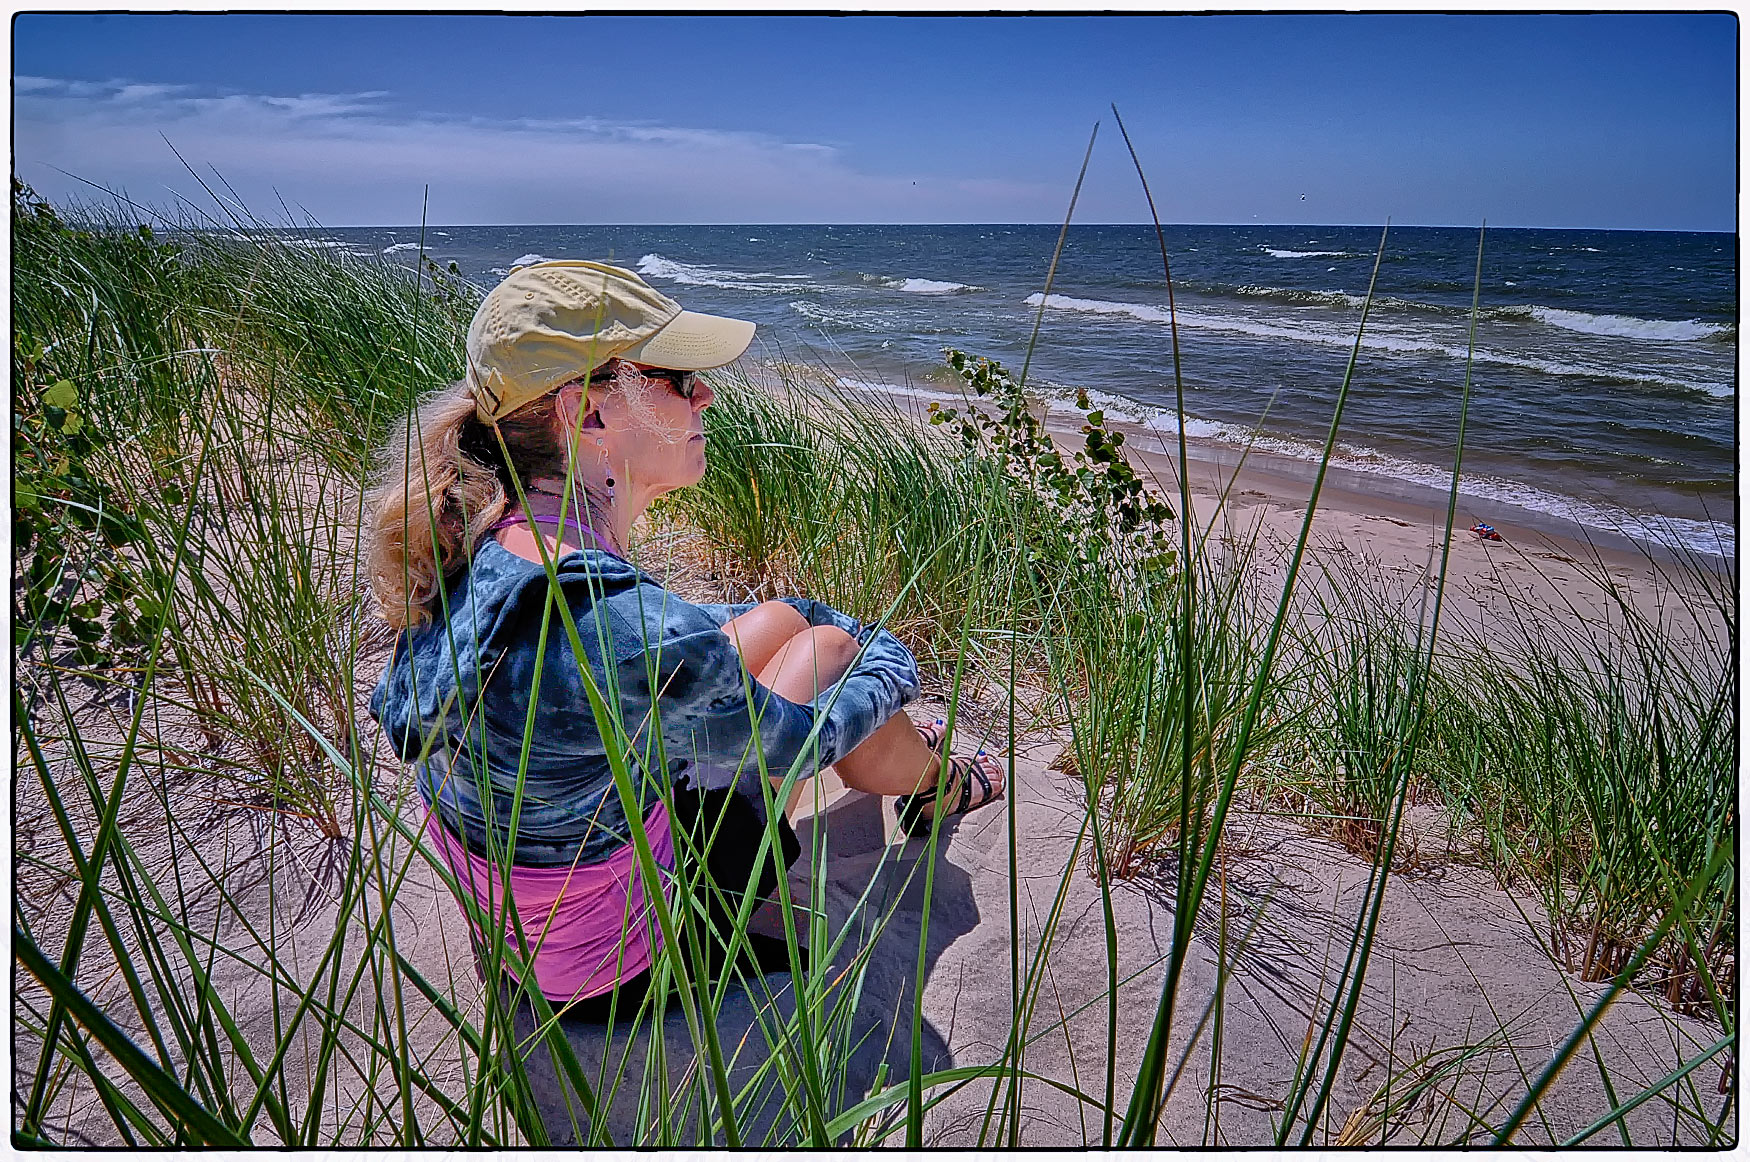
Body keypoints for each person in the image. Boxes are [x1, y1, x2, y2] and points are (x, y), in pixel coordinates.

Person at [366, 260, 1002, 1017]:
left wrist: (798, 610)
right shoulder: (620, 626)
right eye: (677, 376)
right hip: (617, 960)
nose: (706, 393)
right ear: (588, 414)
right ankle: (937, 780)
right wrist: (882, 649)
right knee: (833, 656)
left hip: (525, 921)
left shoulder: (484, 540)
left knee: (783, 624)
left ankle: (916, 761)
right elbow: (799, 740)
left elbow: (654, 648)